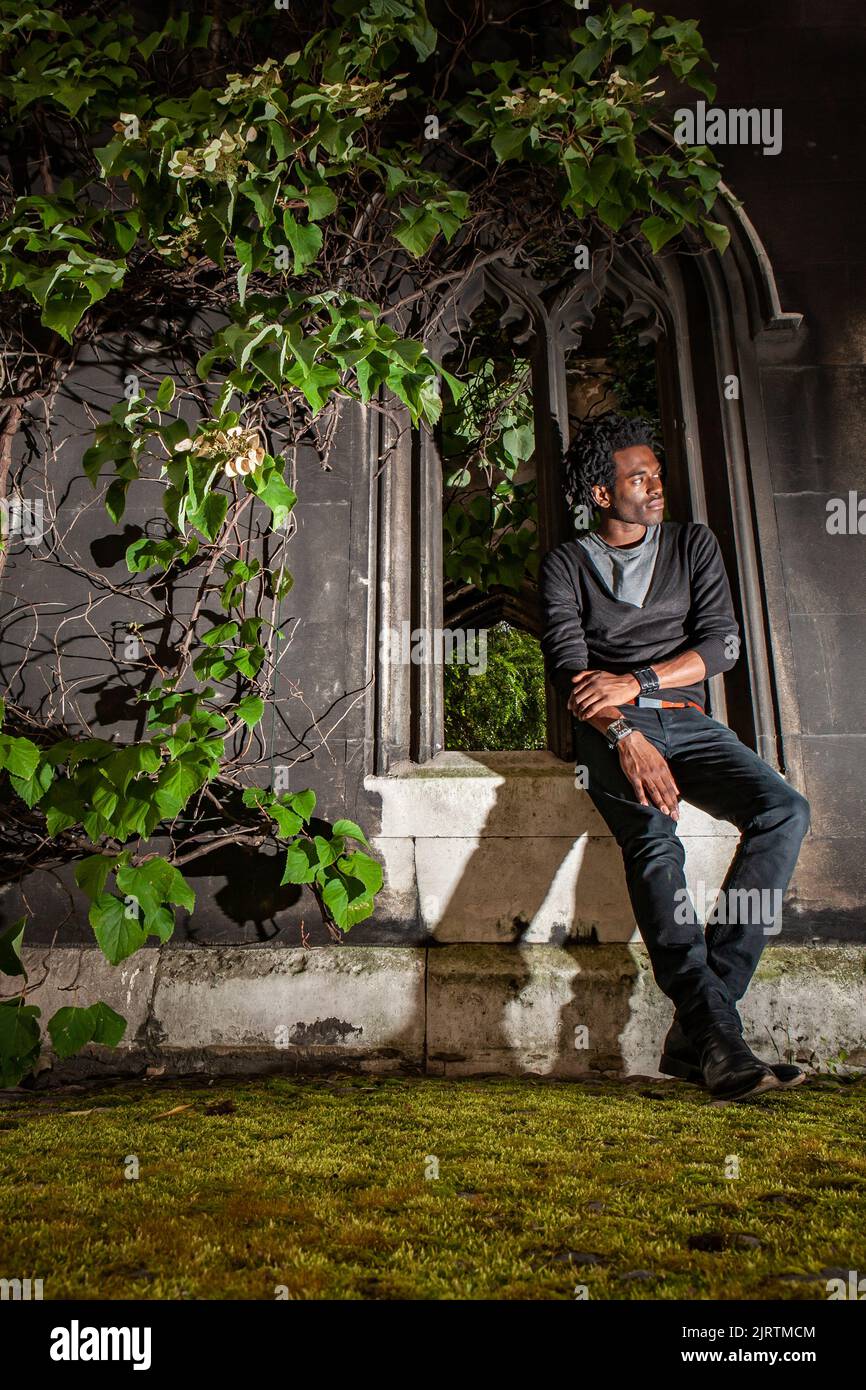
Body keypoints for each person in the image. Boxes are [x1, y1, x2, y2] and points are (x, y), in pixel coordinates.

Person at [539, 413, 811, 1101]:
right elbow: (571, 672)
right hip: (609, 733)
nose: (657, 488)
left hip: (686, 719)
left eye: (657, 476)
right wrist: (625, 736)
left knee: (783, 810)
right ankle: (717, 1042)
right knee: (657, 847)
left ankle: (705, 1030)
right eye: (640, 478)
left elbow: (724, 646)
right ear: (602, 494)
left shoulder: (693, 545)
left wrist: (639, 682)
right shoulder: (567, 564)